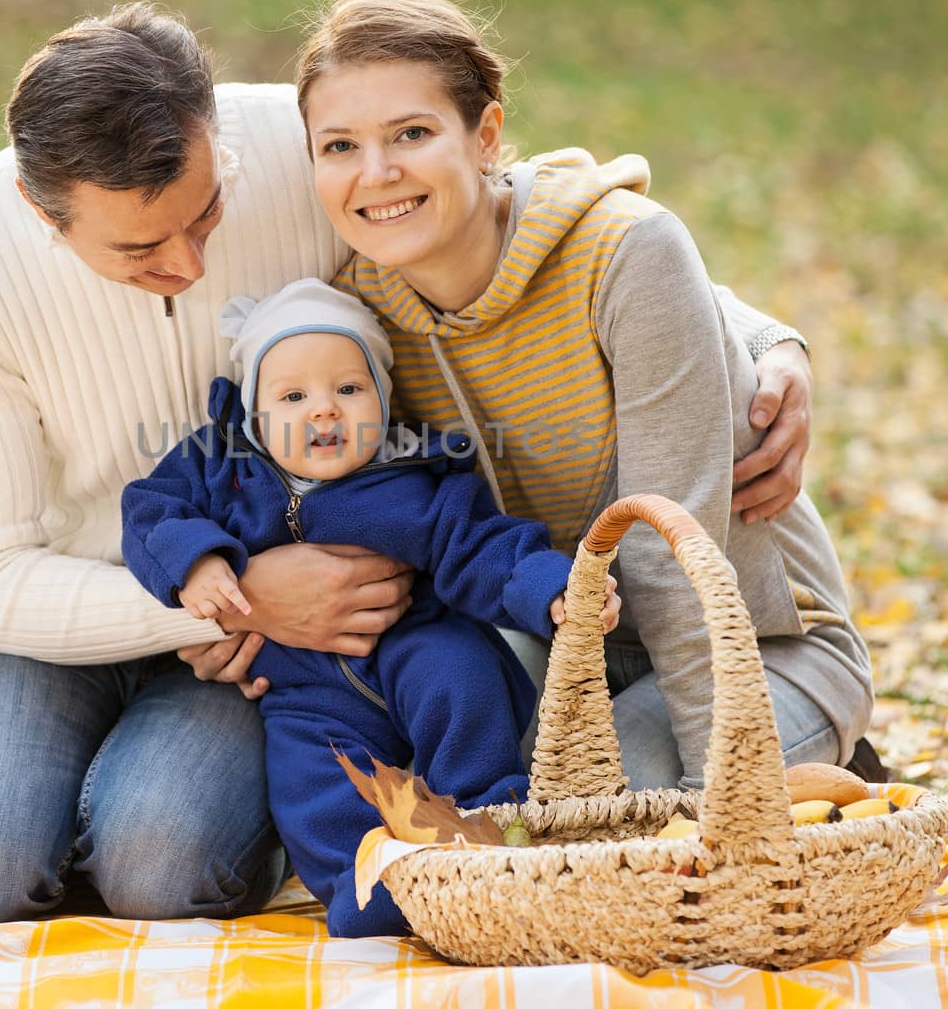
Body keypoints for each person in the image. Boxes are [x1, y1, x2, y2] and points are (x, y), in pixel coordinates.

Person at [0, 0, 817, 923]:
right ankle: (2, 798)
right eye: (140, 248)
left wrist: (767, 344)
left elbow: (533, 213)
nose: (191, 264)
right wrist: (237, 593)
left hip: (276, 654)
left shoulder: (305, 153)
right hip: (67, 612)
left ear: (217, 137)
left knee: (161, 866)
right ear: (38, 210)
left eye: (206, 216)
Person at [297, 0, 877, 791]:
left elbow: (672, 561)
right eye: (339, 146)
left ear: (485, 135)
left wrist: (729, 792)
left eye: (413, 133)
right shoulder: (355, 314)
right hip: (563, 636)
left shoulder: (621, 257)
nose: (377, 172)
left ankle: (793, 760)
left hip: (758, 642)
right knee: (477, 796)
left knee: (603, 809)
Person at [120, 279, 621, 936]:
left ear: (383, 401)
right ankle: (368, 885)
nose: (324, 411)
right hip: (305, 684)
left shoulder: (414, 476)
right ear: (254, 414)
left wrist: (554, 589)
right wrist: (199, 561)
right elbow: (150, 508)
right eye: (294, 396)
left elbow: (483, 545)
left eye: (348, 390)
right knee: (311, 781)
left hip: (416, 641)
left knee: (462, 683)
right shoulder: (222, 468)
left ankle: (496, 836)